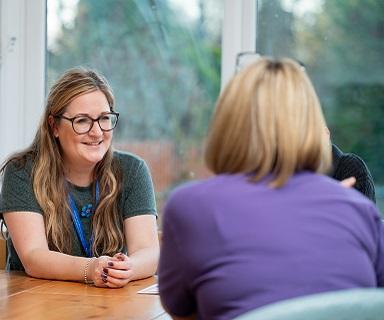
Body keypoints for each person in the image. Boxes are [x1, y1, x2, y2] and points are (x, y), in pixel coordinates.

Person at [158, 57, 384, 319]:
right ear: (311, 125)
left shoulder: (190, 205)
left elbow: (181, 311)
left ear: (228, 123)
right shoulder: (358, 208)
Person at [0, 67, 159, 288]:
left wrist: (128, 269)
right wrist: (91, 269)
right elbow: (33, 256)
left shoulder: (132, 170)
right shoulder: (22, 171)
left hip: (107, 307)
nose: (97, 132)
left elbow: (148, 251)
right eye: (82, 121)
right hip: (35, 305)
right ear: (54, 126)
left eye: (104, 119)